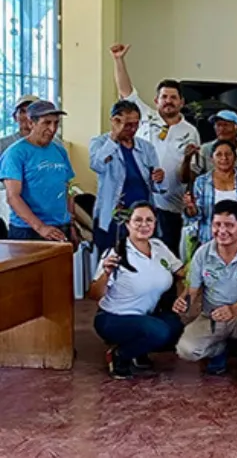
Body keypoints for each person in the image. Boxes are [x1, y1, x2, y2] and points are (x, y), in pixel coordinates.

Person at [110, 43, 201, 254]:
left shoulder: (190, 131)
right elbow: (126, 91)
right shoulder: (144, 117)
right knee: (133, 254)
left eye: (173, 97)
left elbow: (189, 177)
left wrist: (187, 160)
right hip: (138, 203)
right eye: (164, 97)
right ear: (156, 100)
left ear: (181, 102)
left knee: (166, 256)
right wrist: (118, 60)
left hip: (171, 207)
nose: (168, 101)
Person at [173, 200, 237, 387]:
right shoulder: (202, 252)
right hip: (212, 316)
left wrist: (234, 309)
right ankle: (218, 350)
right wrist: (183, 301)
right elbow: (192, 290)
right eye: (217, 224)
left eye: (229, 225)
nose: (222, 231)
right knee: (186, 350)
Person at [89, 202, 185, 379]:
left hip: (144, 315)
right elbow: (94, 294)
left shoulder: (159, 247)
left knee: (175, 327)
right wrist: (106, 273)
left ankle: (139, 351)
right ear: (128, 224)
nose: (144, 225)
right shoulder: (116, 253)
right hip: (114, 317)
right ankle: (119, 356)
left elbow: (181, 272)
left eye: (149, 220)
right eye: (138, 220)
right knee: (159, 332)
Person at [90, 100, 163, 253]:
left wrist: (158, 179)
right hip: (113, 216)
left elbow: (158, 188)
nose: (132, 129)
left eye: (136, 124)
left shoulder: (146, 147)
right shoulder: (100, 143)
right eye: (127, 124)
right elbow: (97, 165)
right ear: (114, 121)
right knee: (110, 260)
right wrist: (114, 137)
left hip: (142, 215)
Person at [0, 100, 77, 242]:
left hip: (60, 227)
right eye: (46, 123)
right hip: (28, 230)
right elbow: (13, 197)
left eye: (56, 123)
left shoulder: (60, 151)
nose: (52, 129)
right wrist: (40, 227)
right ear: (31, 123)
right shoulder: (15, 153)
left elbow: (67, 188)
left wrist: (71, 223)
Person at [184, 139, 237, 244]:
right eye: (219, 154)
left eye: (228, 154)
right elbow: (197, 216)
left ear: (235, 157)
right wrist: (191, 208)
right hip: (210, 240)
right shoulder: (202, 182)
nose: (224, 158)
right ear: (212, 159)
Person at [181, 110, 237, 183]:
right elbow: (187, 179)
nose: (221, 129)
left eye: (225, 125)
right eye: (218, 125)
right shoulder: (205, 149)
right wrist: (187, 159)